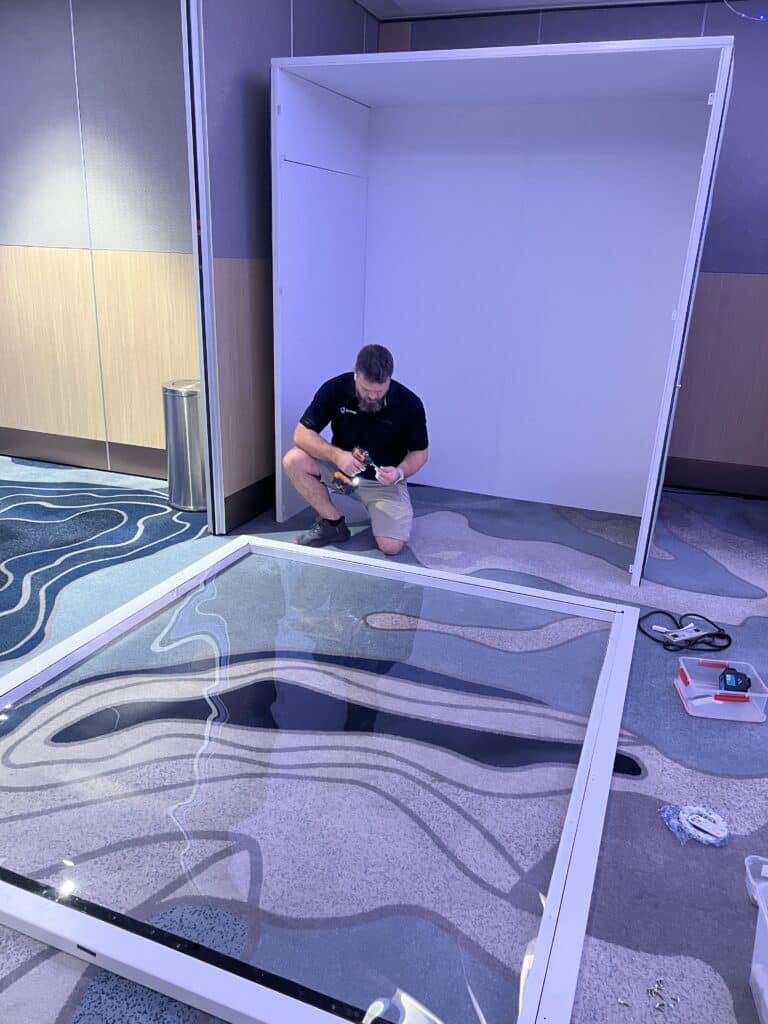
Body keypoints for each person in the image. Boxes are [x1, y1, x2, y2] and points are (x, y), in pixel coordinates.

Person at [282, 345, 429, 554]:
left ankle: (387, 510)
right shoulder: (335, 389)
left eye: (379, 391)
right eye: (366, 389)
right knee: (293, 460)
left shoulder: (409, 403)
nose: (372, 396)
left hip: (384, 482)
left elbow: (420, 452)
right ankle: (332, 524)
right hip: (341, 471)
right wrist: (337, 456)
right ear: (355, 374)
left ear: (389, 378)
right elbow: (301, 434)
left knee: (391, 547)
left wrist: (399, 473)